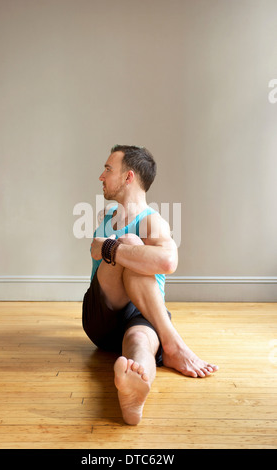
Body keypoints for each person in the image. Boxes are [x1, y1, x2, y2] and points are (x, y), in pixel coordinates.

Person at [82, 145, 218, 425]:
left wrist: (107, 247)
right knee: (130, 244)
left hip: (142, 315)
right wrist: (121, 248)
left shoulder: (153, 222)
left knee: (140, 345)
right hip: (101, 313)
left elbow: (168, 261)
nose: (101, 176)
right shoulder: (106, 218)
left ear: (128, 177)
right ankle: (175, 346)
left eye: (108, 169)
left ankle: (134, 390)